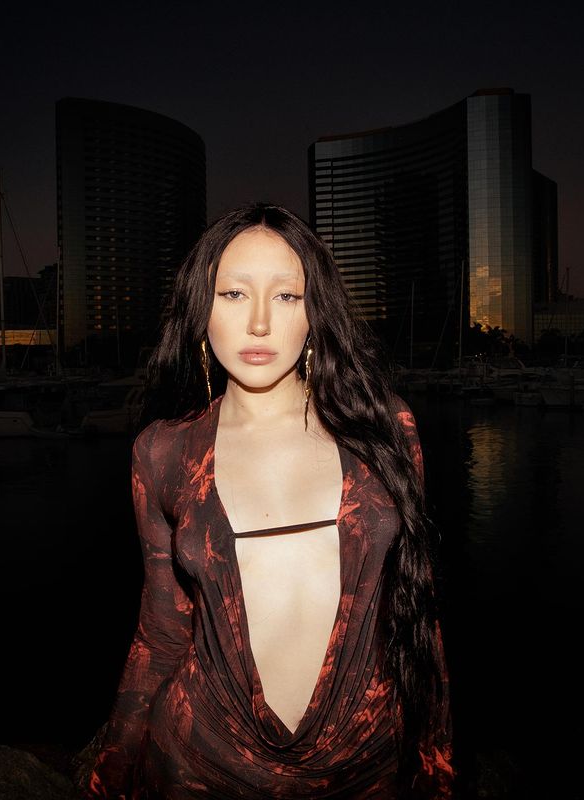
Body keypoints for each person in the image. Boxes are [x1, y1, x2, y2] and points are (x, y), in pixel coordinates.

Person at [86, 203, 454, 799]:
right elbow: (160, 635)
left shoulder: (386, 430)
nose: (258, 322)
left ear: (315, 312)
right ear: (200, 308)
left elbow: (418, 614)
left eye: (286, 296)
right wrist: (110, 773)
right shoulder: (164, 452)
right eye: (233, 294)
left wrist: (436, 772)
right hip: (200, 767)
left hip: (365, 769)